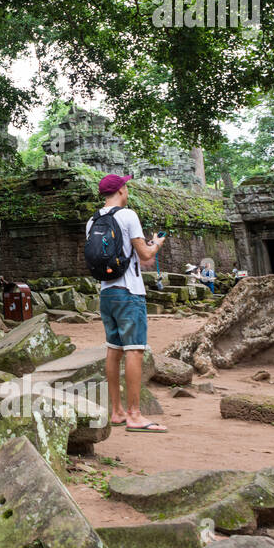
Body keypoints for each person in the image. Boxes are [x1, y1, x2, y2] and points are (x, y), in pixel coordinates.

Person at [86, 173, 168, 434]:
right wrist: (156, 244)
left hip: (106, 293)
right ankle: (134, 414)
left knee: (113, 349)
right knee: (134, 349)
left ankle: (117, 411)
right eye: (126, 186)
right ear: (121, 190)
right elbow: (144, 255)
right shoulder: (128, 215)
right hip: (129, 292)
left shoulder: (92, 220)